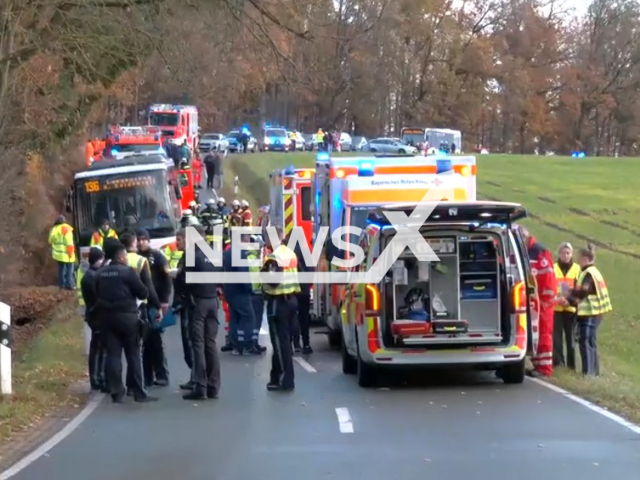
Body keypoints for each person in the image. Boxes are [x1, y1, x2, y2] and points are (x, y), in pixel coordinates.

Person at [94, 244, 157, 403]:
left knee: (113, 355)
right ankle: (138, 392)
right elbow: (143, 292)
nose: (127, 258)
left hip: (107, 318)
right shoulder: (128, 272)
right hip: (128, 317)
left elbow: (95, 293)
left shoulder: (100, 273)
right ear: (120, 257)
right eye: (126, 256)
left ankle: (116, 392)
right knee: (134, 355)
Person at [183, 225, 223, 400]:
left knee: (198, 344)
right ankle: (214, 386)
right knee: (211, 343)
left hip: (198, 301)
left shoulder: (193, 254)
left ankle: (200, 386)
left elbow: (185, 281)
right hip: (213, 300)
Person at [120, 232, 162, 392]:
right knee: (135, 348)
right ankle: (134, 385)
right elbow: (148, 287)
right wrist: (157, 305)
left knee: (118, 350)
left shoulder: (113, 261)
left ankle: (119, 387)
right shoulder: (140, 260)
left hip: (117, 307)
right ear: (133, 244)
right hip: (138, 307)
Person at [262, 226, 300, 391]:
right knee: (285, 340)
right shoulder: (290, 253)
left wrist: (262, 273)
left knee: (279, 343)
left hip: (278, 301)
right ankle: (276, 376)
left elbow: (273, 280)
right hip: (291, 299)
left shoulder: (273, 257)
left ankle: (285, 379)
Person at [565, 245, 612, 376]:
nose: (577, 260)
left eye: (579, 258)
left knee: (585, 341)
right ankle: (593, 372)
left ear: (585, 258)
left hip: (590, 312)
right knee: (591, 342)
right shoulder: (593, 271)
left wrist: (569, 297)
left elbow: (584, 291)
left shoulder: (588, 273)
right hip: (596, 312)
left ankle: (588, 373)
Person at [137, 229, 172, 387]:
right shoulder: (134, 257)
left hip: (155, 302)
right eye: (138, 239)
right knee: (145, 342)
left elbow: (166, 279)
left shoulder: (157, 256)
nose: (141, 242)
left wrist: (164, 300)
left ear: (149, 241)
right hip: (141, 303)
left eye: (144, 239)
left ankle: (161, 375)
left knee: (155, 340)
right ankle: (147, 377)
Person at [521, 226, 557, 378]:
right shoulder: (525, 252)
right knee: (534, 332)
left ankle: (545, 368)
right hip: (531, 300)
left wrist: (545, 300)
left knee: (543, 334)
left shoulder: (540, 252)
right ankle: (537, 365)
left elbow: (548, 279)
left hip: (542, 302)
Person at [223, 231, 259, 355]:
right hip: (240, 291)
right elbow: (242, 273)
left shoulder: (227, 252)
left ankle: (235, 344)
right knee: (249, 317)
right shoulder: (240, 253)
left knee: (234, 317)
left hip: (229, 290)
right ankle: (247, 345)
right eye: (248, 240)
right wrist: (249, 287)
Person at [79, 247, 108, 392]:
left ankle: (98, 377)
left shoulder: (91, 275)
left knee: (99, 347)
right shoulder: (91, 277)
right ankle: (97, 378)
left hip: (94, 315)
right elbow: (97, 299)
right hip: (96, 316)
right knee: (98, 348)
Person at [553, 242, 581, 369]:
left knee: (570, 339)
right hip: (556, 306)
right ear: (559, 254)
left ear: (571, 254)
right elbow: (549, 287)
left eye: (568, 253)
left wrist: (569, 300)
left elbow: (579, 289)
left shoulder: (577, 269)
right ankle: (558, 362)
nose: (565, 255)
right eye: (563, 253)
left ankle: (571, 365)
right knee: (557, 338)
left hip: (570, 307)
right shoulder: (553, 268)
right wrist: (557, 299)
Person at [247, 236, 267, 354]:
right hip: (255, 293)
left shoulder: (249, 257)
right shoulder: (254, 259)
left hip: (251, 293)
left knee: (253, 320)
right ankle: (252, 343)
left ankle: (254, 343)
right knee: (255, 320)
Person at [293, 240, 313, 354]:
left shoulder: (290, 252)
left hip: (293, 289)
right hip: (304, 290)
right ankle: (306, 344)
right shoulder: (306, 252)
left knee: (293, 318)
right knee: (304, 318)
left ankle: (296, 344)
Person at [48, 215, 76, 290]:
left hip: (58, 254)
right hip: (66, 253)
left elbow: (50, 241)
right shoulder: (66, 229)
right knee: (70, 268)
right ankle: (69, 284)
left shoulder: (54, 229)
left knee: (61, 269)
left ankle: (61, 285)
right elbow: (69, 242)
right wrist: (70, 253)